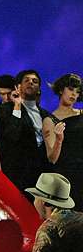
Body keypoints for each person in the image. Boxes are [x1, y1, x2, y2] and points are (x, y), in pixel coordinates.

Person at [0, 69, 49, 196]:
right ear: (18, 87)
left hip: (39, 177)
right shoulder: (5, 110)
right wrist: (17, 106)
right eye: (26, 80)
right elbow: (11, 137)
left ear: (39, 89)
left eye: (35, 81)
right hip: (15, 175)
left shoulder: (46, 115)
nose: (31, 82)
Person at [42, 73, 83, 212]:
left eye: (77, 92)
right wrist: (59, 139)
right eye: (71, 89)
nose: (74, 94)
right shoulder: (50, 121)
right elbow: (52, 158)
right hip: (67, 177)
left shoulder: (81, 114)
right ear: (61, 89)